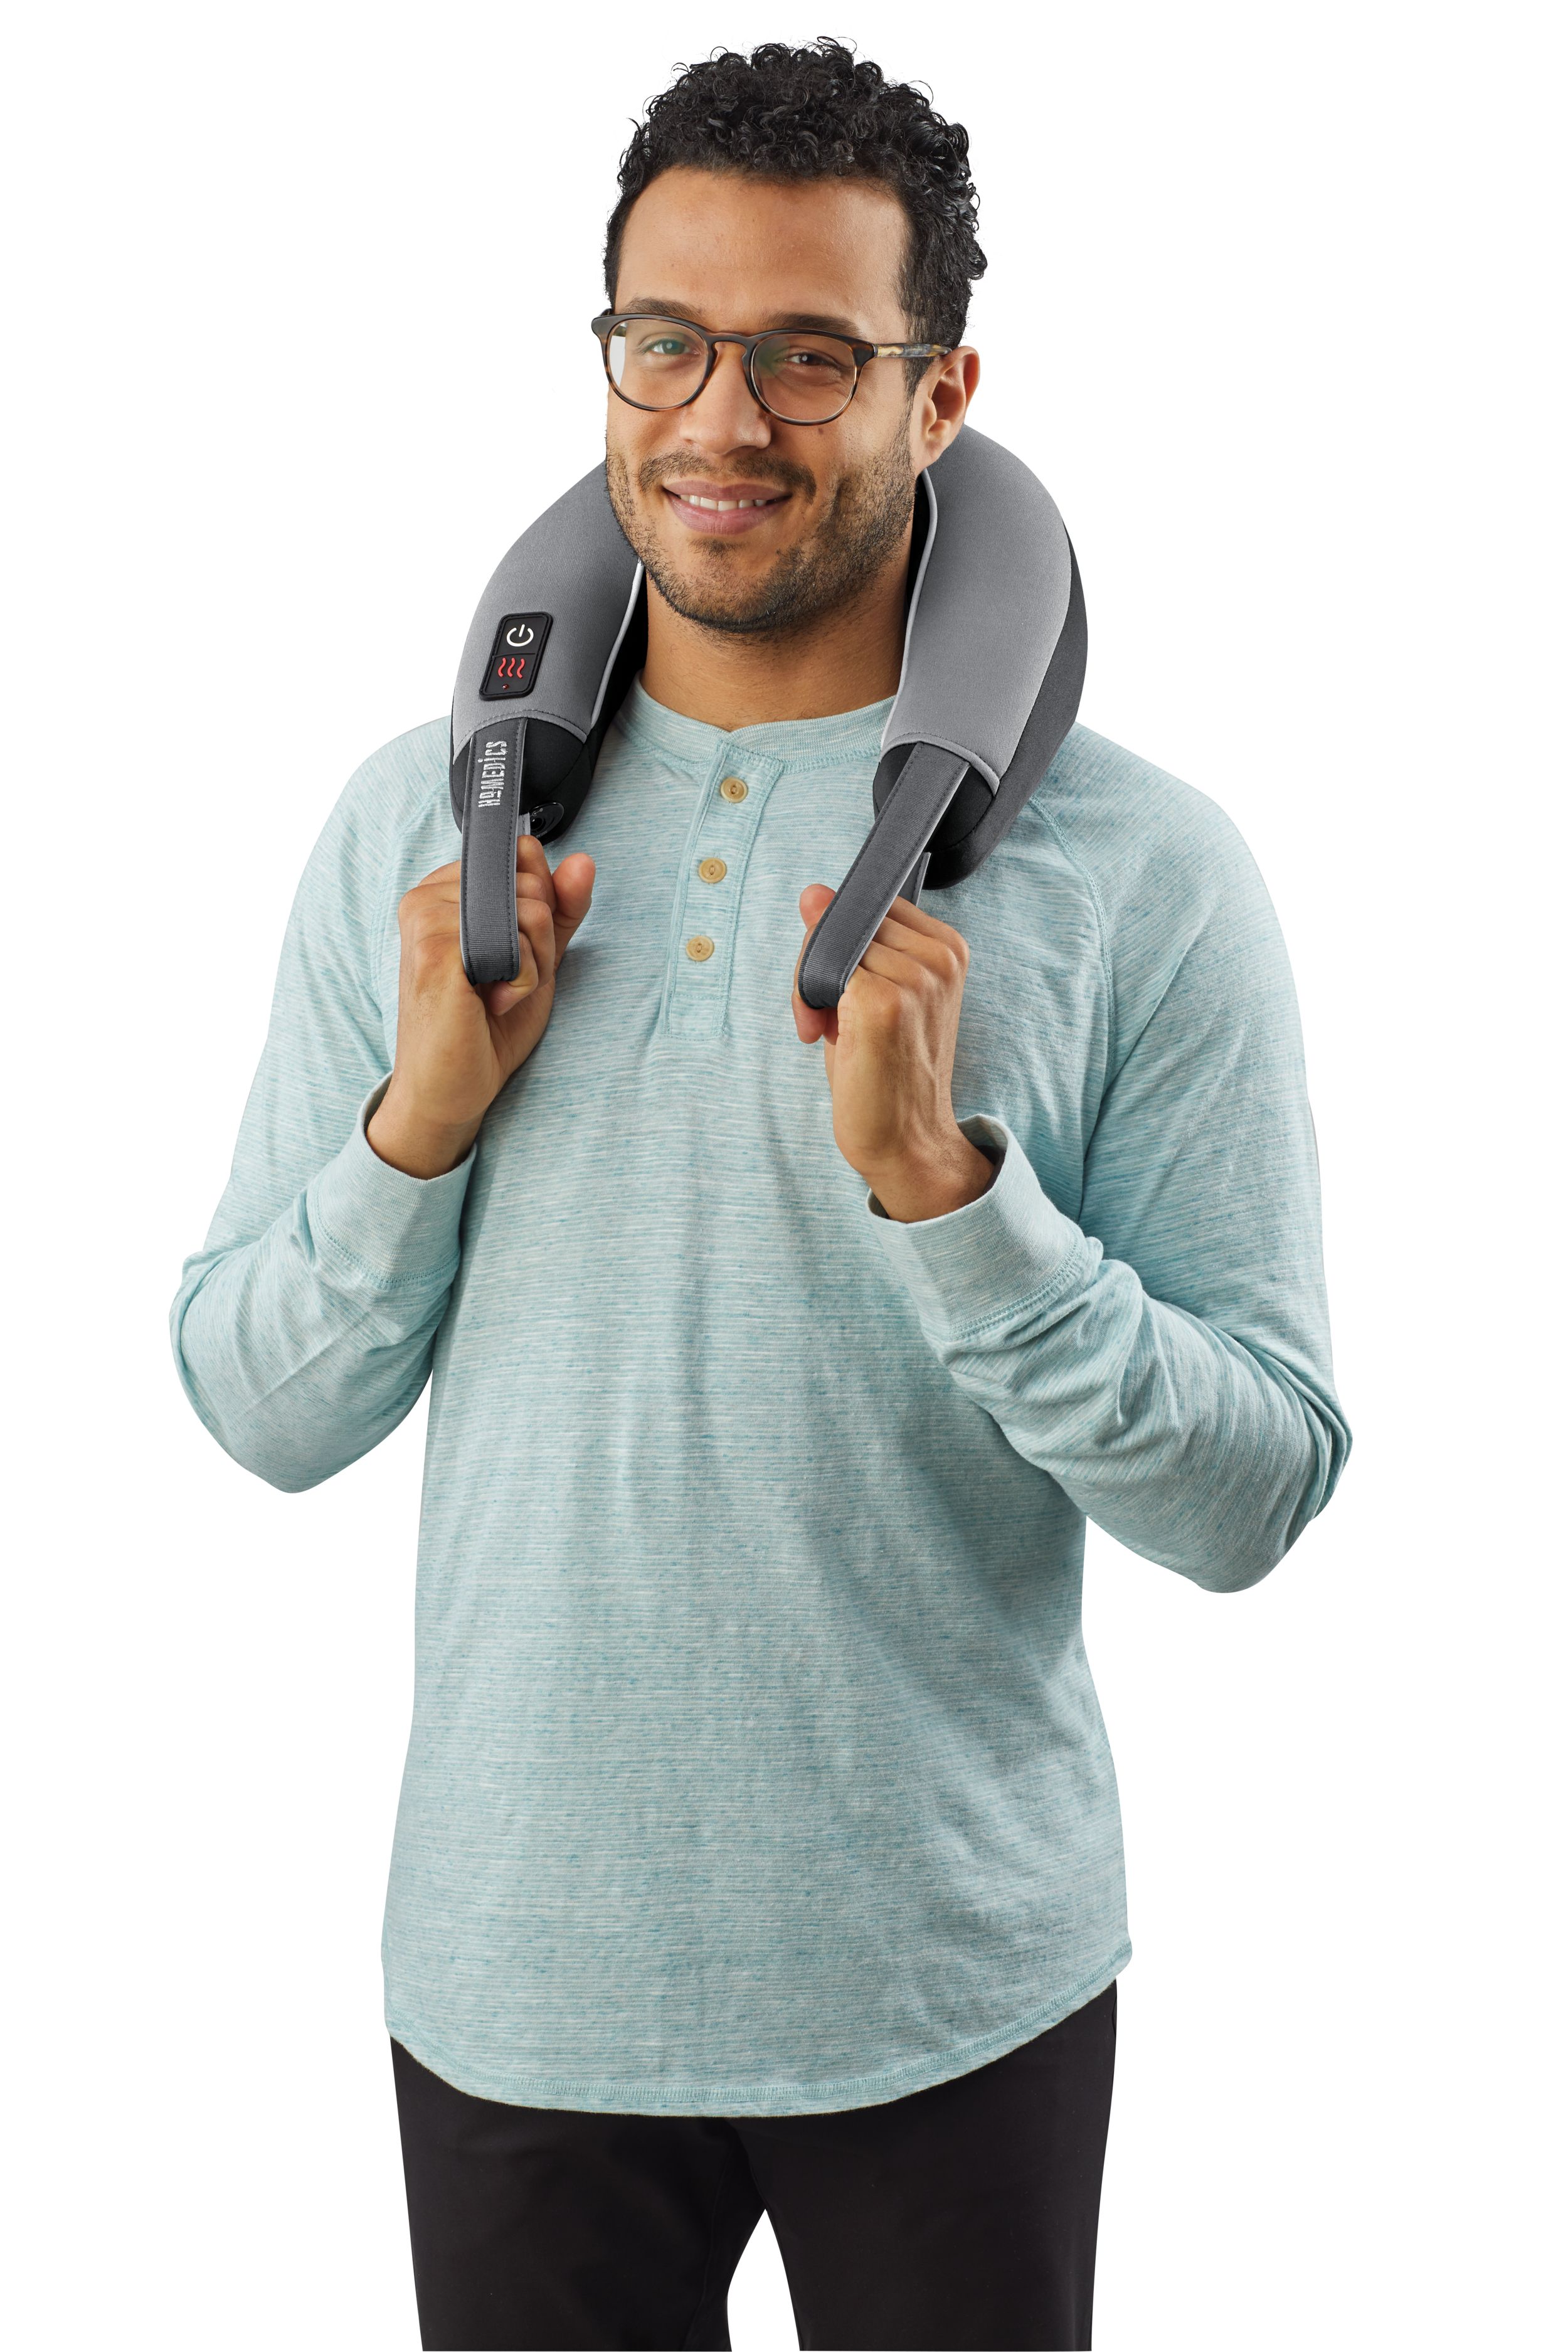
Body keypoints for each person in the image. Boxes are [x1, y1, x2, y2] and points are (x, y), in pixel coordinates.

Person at [169, 37, 1350, 2352]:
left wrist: (956, 1203)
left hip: (951, 1981)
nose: (721, 420)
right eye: (665, 341)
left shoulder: (1145, 869)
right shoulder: (422, 833)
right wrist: (417, 1132)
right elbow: (253, 1406)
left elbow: (1257, 1493)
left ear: (940, 390)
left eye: (811, 354)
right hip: (513, 1980)